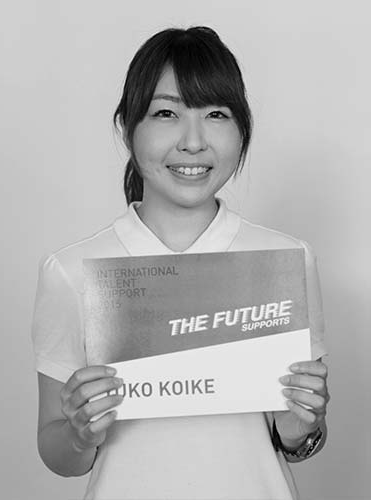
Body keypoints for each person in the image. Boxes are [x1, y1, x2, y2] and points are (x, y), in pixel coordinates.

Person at [31, 26, 330, 500]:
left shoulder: (286, 262)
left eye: (215, 113)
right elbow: (57, 452)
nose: (193, 141)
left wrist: (299, 428)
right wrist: (78, 433)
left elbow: (293, 438)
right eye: (166, 112)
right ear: (128, 127)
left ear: (242, 130)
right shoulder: (70, 271)